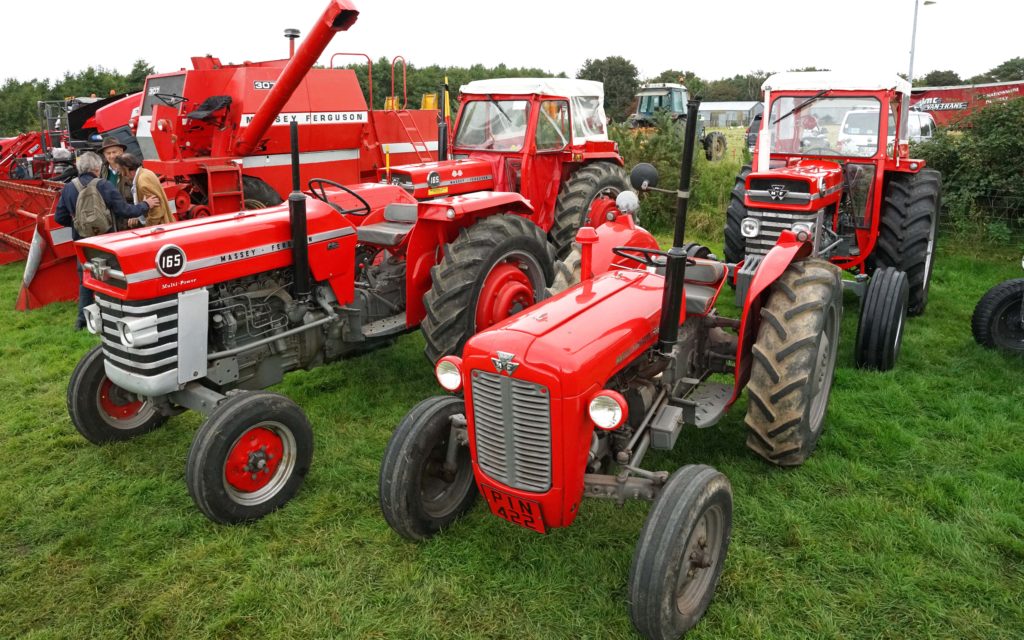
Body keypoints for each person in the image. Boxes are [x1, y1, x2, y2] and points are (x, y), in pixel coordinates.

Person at [55, 151, 159, 330]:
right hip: (106, 241)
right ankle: (115, 319)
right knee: (112, 279)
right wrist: (145, 205)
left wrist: (79, 224)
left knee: (85, 281)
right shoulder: (103, 185)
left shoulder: (69, 188)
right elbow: (125, 211)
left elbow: (59, 217)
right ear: (97, 168)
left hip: (82, 242)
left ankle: (82, 321)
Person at [114, 153, 174, 227]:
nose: (122, 174)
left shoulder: (143, 180)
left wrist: (147, 227)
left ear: (126, 168)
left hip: (160, 228)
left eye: (120, 170)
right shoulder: (144, 173)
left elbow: (157, 211)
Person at [98, 136, 133, 202]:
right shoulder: (101, 170)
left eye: (114, 152)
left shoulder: (130, 168)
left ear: (121, 151)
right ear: (104, 155)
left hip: (128, 209)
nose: (112, 156)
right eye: (108, 153)